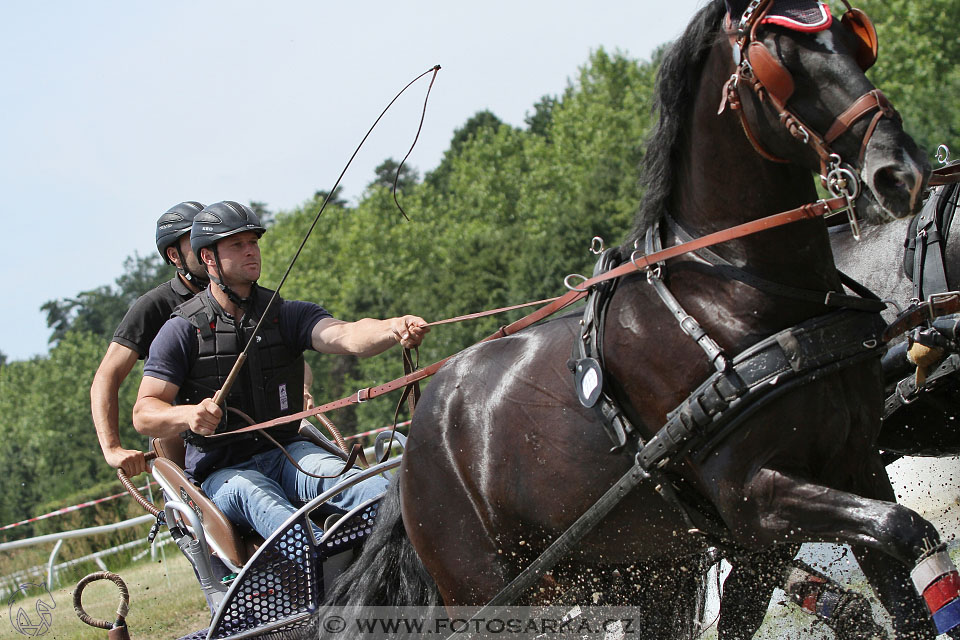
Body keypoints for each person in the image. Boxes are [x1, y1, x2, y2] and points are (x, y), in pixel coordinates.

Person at [132, 201, 429, 541]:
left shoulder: (285, 314)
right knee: (269, 507)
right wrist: (189, 415)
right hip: (223, 473)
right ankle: (325, 568)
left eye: (253, 243)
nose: (251, 252)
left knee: (372, 492)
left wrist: (393, 327)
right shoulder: (181, 330)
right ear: (209, 258)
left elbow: (345, 335)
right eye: (237, 245)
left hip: (290, 453)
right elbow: (144, 413)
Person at [91, 201, 209, 478]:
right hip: (187, 441)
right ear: (174, 255)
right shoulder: (155, 305)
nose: (208, 246)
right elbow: (107, 376)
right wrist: (112, 448)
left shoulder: (239, 293)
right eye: (196, 240)